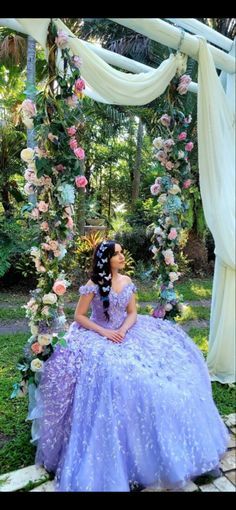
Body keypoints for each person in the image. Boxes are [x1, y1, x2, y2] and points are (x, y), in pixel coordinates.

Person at [34, 240, 229, 492]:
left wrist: (123, 331)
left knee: (165, 374)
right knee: (113, 374)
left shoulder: (126, 281)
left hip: (128, 332)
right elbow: (79, 316)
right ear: (106, 260)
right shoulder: (92, 285)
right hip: (96, 334)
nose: (122, 257)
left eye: (121, 253)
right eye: (116, 255)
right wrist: (105, 332)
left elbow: (132, 313)